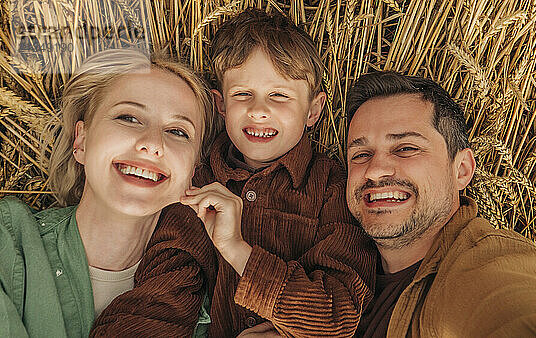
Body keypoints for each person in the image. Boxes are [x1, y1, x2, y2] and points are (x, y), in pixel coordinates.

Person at [93, 8, 376, 337]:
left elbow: (337, 318)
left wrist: (236, 249)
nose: (258, 110)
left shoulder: (334, 188)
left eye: (279, 96)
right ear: (221, 104)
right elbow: (162, 300)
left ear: (313, 110)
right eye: (243, 95)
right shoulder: (195, 184)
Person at [345, 71, 536, 337]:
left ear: (462, 170)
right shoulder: (331, 257)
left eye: (406, 148)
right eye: (360, 154)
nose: (374, 170)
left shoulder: (485, 263)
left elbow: (521, 314)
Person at [0, 49, 219, 337]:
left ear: (193, 170)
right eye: (129, 118)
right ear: (81, 140)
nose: (153, 144)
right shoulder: (8, 239)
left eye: (178, 132)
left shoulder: (207, 294)